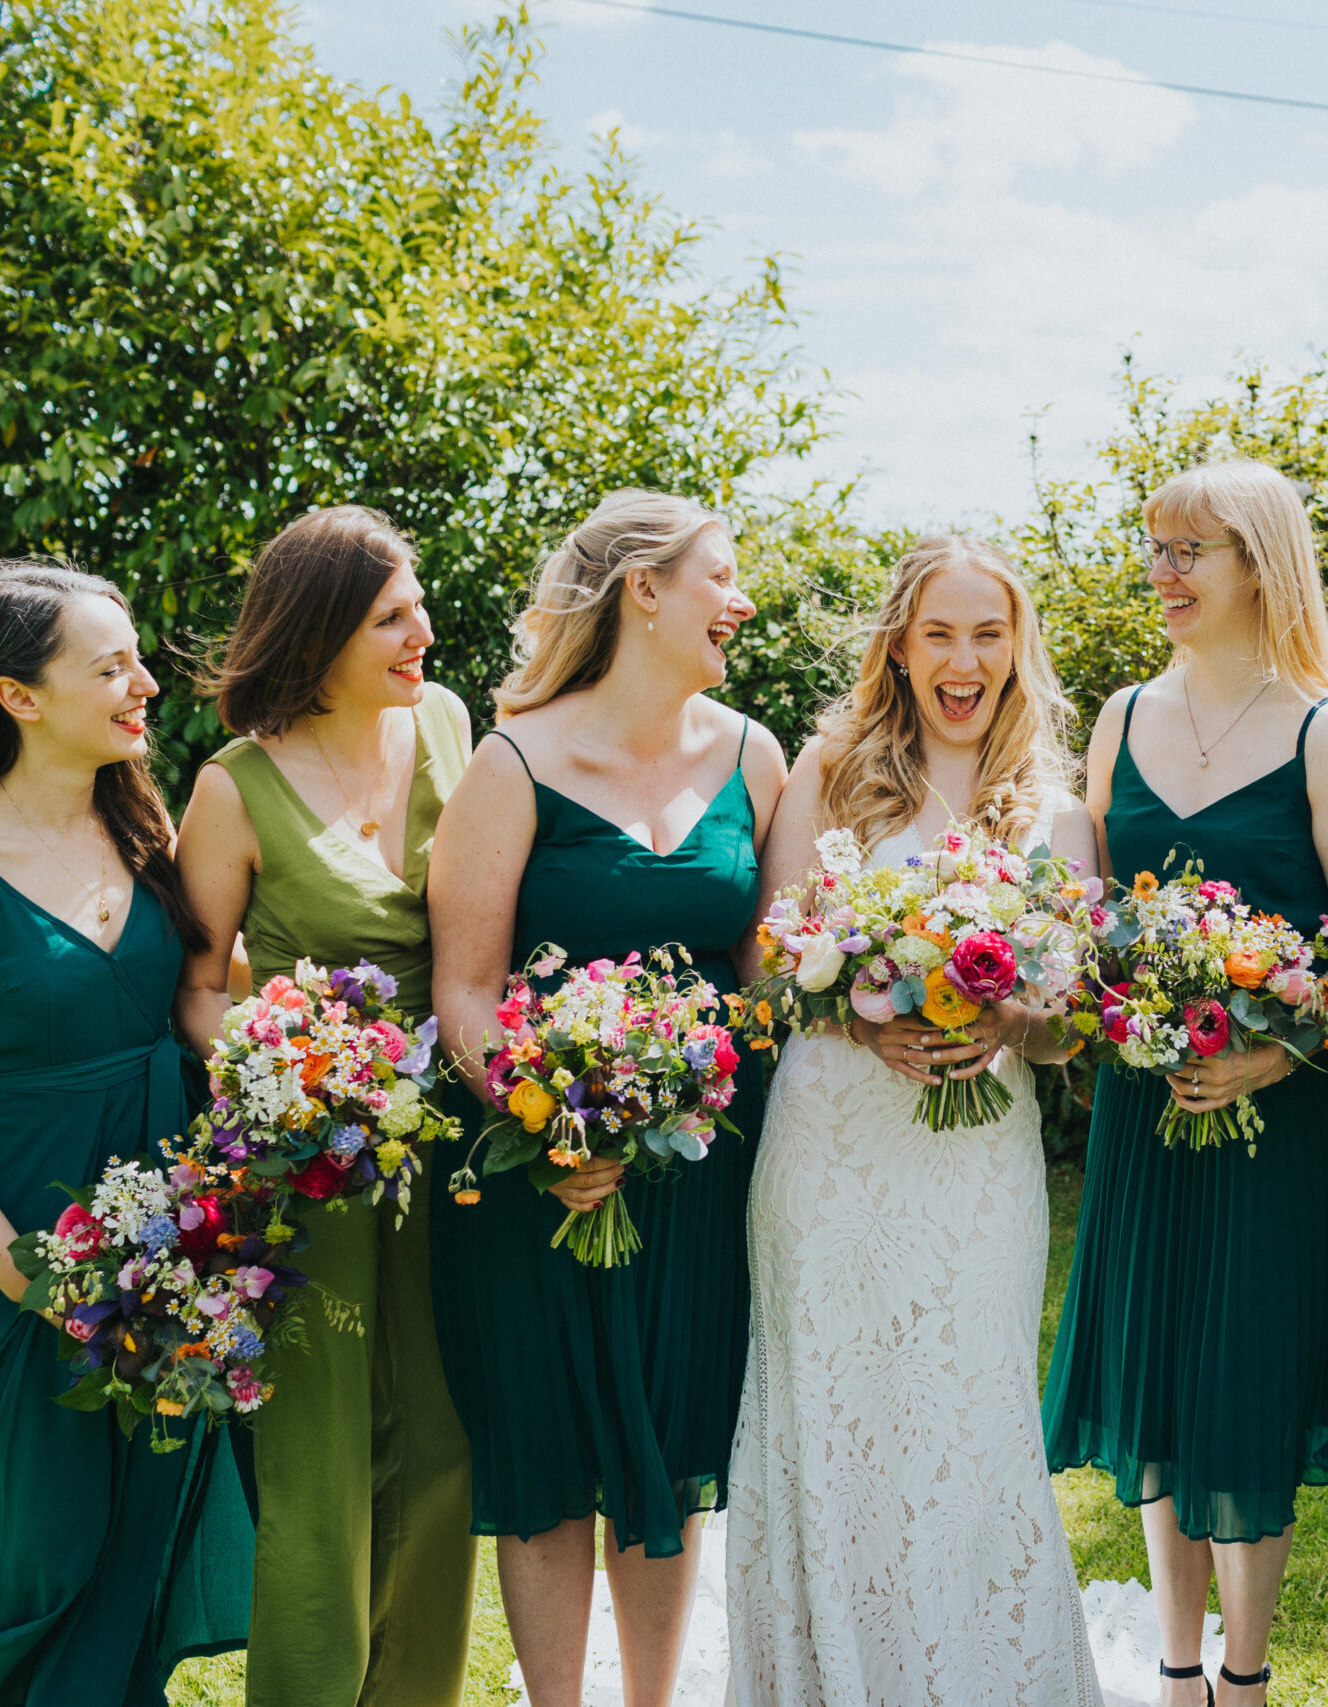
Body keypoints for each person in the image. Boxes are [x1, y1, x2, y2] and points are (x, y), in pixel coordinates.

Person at [1043, 461, 1328, 1707]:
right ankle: (1174, 1670)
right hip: (1148, 1111)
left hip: (1278, 1118)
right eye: (1154, 546)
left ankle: (1244, 1682)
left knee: (1246, 1376)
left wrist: (1277, 1048)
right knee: (1156, 1375)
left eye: (1190, 548)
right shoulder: (1120, 716)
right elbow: (1083, 926)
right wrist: (1105, 1014)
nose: (1163, 571)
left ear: (1259, 561)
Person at [0, 559, 252, 1705]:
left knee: (144, 1534)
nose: (144, 685)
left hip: (172, 1255)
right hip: (25, 1255)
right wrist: (40, 1281)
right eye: (110, 666)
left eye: (134, 659)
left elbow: (201, 1000)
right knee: (38, 1559)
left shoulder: (143, 829)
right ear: (17, 697)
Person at [726, 536, 1104, 1706]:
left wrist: (1019, 1020)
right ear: (898, 642)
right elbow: (767, 961)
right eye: (939, 632)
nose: (964, 658)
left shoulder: (1058, 807)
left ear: (1017, 647)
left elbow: (1073, 1021)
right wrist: (858, 1017)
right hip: (832, 1146)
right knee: (831, 1427)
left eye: (988, 633)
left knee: (967, 1418)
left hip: (977, 1158)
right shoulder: (832, 765)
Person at [425, 489, 787, 1707]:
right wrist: (557, 1123)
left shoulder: (755, 755)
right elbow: (465, 993)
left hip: (702, 1168)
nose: (740, 602)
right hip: (539, 1173)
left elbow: (768, 975)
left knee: (670, 1447)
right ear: (644, 589)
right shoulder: (514, 758)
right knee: (548, 1447)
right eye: (719, 578)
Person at [172, 505, 480, 1707]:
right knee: (318, 1465)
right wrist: (284, 1063)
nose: (422, 633)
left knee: (444, 1445)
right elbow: (198, 988)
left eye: (417, 606)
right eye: (390, 617)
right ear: (317, 636)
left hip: (456, 1151)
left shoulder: (451, 724)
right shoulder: (233, 787)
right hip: (316, 1162)